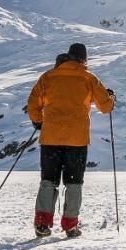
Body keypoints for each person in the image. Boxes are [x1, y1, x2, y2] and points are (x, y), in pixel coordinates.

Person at [26, 43, 115, 238]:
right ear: (83, 59)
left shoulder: (48, 77)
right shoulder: (89, 78)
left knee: (48, 180)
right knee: (74, 182)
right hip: (77, 139)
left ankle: (42, 223)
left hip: (50, 138)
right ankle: (70, 225)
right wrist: (110, 97)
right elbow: (106, 107)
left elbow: (33, 103)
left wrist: (39, 122)